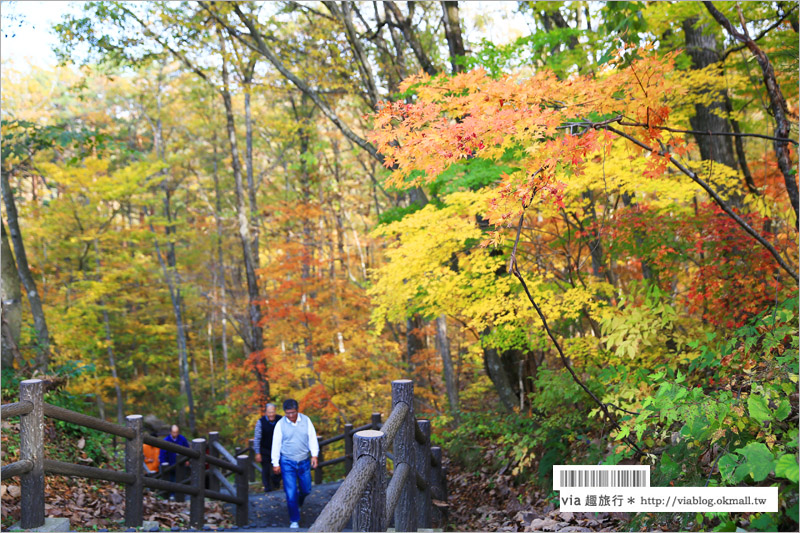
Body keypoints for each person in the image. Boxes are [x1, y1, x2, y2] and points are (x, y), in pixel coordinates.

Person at [271, 399, 318, 529]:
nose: (291, 416)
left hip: (303, 461)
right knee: (290, 492)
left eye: (293, 413)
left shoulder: (306, 420)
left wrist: (314, 455)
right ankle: (294, 519)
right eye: (288, 413)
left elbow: (312, 438)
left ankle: (297, 503)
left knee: (306, 489)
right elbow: (276, 444)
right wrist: (275, 463)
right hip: (287, 462)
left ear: (297, 410)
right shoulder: (280, 424)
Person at [254, 402, 283, 492]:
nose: (271, 414)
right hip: (265, 449)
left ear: (275, 411)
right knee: (266, 469)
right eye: (269, 412)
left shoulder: (281, 420)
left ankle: (276, 482)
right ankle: (267, 488)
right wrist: (257, 452)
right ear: (266, 412)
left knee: (279, 467)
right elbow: (257, 438)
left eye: (273, 412)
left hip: (279, 449)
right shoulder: (261, 422)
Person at [159, 425, 190, 500]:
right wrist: (164, 463)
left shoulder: (182, 439)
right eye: (174, 432)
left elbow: (187, 450)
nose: (175, 434)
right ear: (170, 432)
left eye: (176, 432)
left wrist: (187, 460)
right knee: (171, 479)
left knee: (181, 478)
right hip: (170, 464)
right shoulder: (166, 440)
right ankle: (172, 494)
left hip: (181, 463)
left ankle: (181, 494)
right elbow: (162, 454)